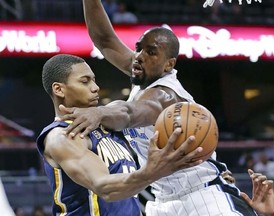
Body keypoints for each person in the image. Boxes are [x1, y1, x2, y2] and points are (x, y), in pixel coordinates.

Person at [57, 0, 258, 215]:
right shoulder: (143, 71)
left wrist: (99, 112)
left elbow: (129, 113)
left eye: (151, 52)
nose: (140, 56)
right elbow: (104, 39)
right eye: (138, 48)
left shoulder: (165, 94)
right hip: (162, 200)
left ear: (168, 64)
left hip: (202, 194)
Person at [37, 54, 203, 215]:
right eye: (85, 81)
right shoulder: (62, 136)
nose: (95, 87)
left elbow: (127, 110)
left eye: (94, 80)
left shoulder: (107, 124)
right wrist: (153, 171)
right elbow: (105, 188)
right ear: (59, 89)